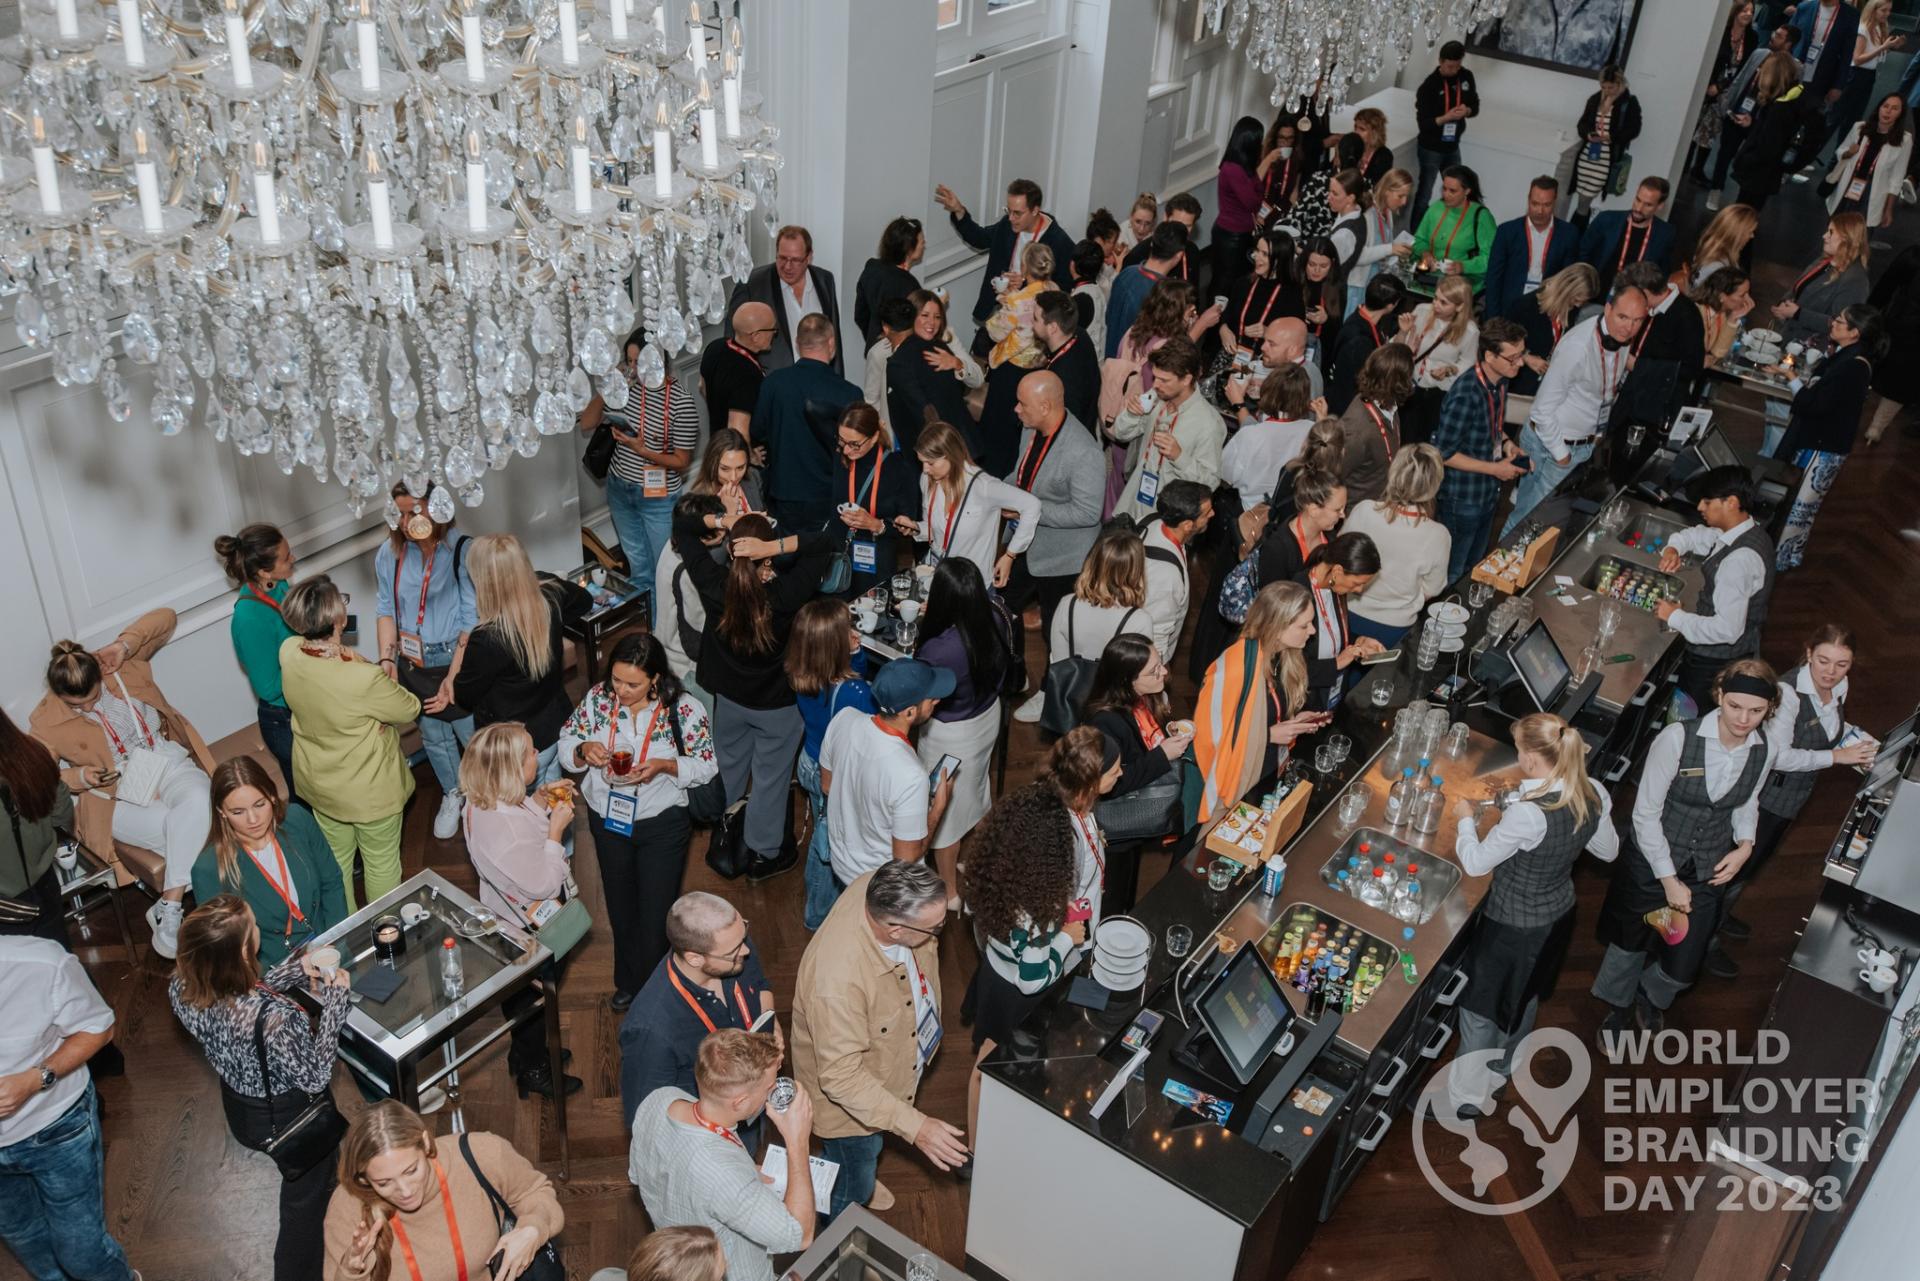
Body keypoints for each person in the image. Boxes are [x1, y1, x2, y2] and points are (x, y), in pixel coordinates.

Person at [1593, 660, 1777, 1036]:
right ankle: (1618, 1007)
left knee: (1683, 965)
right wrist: (1668, 879)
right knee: (1629, 945)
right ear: (1720, 695)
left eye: (1756, 711)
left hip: (1707, 865)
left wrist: (1745, 844)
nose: (1744, 719)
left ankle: (1649, 992)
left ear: (1769, 709)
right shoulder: (1677, 738)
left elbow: (1747, 802)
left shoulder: (1764, 750)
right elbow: (1645, 814)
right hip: (1651, 860)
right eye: (1735, 706)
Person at [1446, 714, 1618, 1117]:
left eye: (1519, 750)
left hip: (1512, 925)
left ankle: (1466, 1100)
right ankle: (1504, 1069)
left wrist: (1465, 820)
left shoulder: (1528, 814)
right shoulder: (1593, 790)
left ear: (1529, 758)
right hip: (1557, 915)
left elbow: (1476, 863)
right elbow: (1608, 851)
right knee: (1524, 997)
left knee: (1480, 1009)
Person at [170, 895, 350, 1281]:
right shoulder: (277, 1020)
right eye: (252, 928)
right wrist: (335, 1004)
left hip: (242, 1109)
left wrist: (292, 971)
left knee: (320, 1185)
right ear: (242, 950)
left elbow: (240, 997)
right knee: (303, 1209)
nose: (257, 931)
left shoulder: (183, 987)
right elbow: (316, 1076)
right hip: (290, 1117)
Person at [961, 728, 1120, 1138]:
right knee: (992, 1065)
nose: (1121, 774)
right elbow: (1031, 977)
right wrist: (1068, 937)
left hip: (1038, 961)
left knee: (1011, 1062)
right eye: (1114, 771)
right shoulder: (1045, 870)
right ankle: (976, 1150)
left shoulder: (1048, 808)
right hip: (1018, 989)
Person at [31, 610, 214, 959]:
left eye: (93, 696)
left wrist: (123, 645)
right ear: (59, 695)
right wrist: (80, 776)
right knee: (180, 827)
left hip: (164, 760)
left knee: (201, 799)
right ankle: (184, 908)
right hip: (114, 795)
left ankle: (169, 906)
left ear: (99, 675)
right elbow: (41, 776)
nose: (89, 706)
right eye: (77, 704)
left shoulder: (122, 668)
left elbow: (165, 618)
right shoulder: (45, 721)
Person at [790, 859, 964, 1218]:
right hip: (849, 1113)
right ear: (895, 930)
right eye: (935, 927)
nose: (941, 931)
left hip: (886, 1072)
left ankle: (861, 1174)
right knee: (853, 1175)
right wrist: (916, 1127)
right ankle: (846, 1205)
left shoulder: (879, 886)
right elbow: (841, 1078)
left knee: (868, 1151)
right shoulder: (837, 983)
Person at [672, 511, 838, 883]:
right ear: (766, 558)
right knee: (770, 780)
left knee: (729, 768)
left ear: (731, 552)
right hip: (777, 706)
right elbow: (824, 542)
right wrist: (773, 546)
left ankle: (725, 834)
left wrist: (721, 520)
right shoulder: (785, 595)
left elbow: (682, 524)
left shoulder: (714, 585)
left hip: (729, 700)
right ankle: (763, 855)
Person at [1707, 625, 1875, 978]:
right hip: (1765, 795)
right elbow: (1778, 756)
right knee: (1734, 865)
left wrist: (1859, 744)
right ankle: (1705, 940)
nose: (1831, 672)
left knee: (1752, 864)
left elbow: (1829, 727)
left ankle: (1718, 917)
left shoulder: (1838, 687)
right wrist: (1836, 757)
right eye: (1823, 661)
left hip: (1792, 797)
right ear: (1808, 653)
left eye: (1841, 664)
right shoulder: (1787, 695)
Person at [559, 632, 714, 1008]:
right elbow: (567, 741)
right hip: (608, 820)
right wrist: (583, 749)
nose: (621, 691)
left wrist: (665, 765)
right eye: (616, 680)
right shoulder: (598, 699)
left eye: (633, 684)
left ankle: (656, 993)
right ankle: (629, 981)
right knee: (620, 906)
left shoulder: (684, 709)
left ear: (656, 678)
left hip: (662, 824)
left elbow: (706, 766)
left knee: (656, 913)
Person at [279, 577, 419, 912]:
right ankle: (385, 928)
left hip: (321, 783)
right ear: (337, 619)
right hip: (369, 790)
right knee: (381, 861)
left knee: (338, 860)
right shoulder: (362, 677)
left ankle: (346, 929)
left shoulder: (289, 652)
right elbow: (409, 708)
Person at [458, 721, 582, 1099]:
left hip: (506, 917)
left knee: (525, 1000)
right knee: (534, 1002)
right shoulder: (506, 833)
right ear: (511, 767)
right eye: (530, 751)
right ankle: (533, 1069)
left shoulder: (482, 801)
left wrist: (540, 801)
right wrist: (556, 831)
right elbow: (544, 883)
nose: (537, 754)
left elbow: (517, 824)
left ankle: (525, 1054)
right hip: (529, 930)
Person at [628, 1030, 815, 1281]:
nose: (774, 1092)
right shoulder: (723, 1177)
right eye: (769, 1087)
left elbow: (639, 1175)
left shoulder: (659, 1099)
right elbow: (800, 1235)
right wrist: (798, 1142)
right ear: (739, 1102)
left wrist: (743, 1173)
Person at [0, 934, 125, 1281]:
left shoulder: (42, 963)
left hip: (55, 1129)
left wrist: (34, 1079)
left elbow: (99, 1028)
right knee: (31, 1248)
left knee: (83, 1256)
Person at [323, 1101, 562, 1281]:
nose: (405, 1191)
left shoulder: (480, 1154)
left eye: (411, 1170)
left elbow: (536, 1193)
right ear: (364, 1179)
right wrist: (351, 1271)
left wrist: (532, 1228)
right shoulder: (347, 1206)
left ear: (426, 1144)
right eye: (384, 1183)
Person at [618, 892, 776, 1136]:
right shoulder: (650, 1031)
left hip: (751, 1108)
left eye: (744, 935)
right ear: (694, 958)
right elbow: (647, 1118)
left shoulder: (732, 944)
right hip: (708, 1137)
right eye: (735, 950)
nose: (745, 950)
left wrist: (771, 1031)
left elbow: (761, 986)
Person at [374, 482, 476, 841]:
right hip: (412, 659)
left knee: (471, 733)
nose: (405, 523)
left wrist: (454, 675)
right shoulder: (389, 554)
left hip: (456, 653)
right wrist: (386, 660)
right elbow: (385, 608)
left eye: (413, 512)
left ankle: (484, 795)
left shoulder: (461, 549)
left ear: (436, 508)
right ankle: (454, 792)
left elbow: (471, 618)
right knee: (433, 735)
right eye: (399, 514)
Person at [1504, 282, 1649, 534]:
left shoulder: (1620, 340)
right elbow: (1541, 411)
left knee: (1544, 526)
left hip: (1582, 445)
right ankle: (1499, 560)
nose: (1629, 327)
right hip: (1552, 446)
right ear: (1607, 309)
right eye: (1623, 317)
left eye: (1637, 320)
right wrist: (1562, 456)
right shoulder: (1578, 347)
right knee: (1525, 521)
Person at [1003, 371, 1105, 707]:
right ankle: (1015, 674)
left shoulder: (1084, 452)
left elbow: (1087, 513)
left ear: (1045, 406)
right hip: (1026, 546)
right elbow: (1021, 475)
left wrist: (1028, 510)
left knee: (1057, 631)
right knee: (1004, 605)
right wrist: (994, 490)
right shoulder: (1030, 429)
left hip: (1064, 560)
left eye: (1023, 403)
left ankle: (1052, 695)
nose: (1016, 409)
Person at [915, 558, 1013, 901]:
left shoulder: (938, 649)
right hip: (986, 719)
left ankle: (950, 892)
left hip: (949, 736)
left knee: (945, 818)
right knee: (976, 793)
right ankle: (977, 862)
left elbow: (922, 701)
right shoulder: (996, 616)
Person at [191, 757, 346, 967]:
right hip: (274, 970)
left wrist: (333, 941)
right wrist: (289, 972)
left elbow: (332, 883)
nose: (253, 819)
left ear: (272, 796)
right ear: (221, 812)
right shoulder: (209, 868)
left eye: (259, 804)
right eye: (238, 812)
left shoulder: (297, 820)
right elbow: (226, 949)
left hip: (330, 947)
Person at [1193, 581, 1328, 823]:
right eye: (1304, 625)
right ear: (1277, 626)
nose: (1312, 631)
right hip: (1239, 784)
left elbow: (1268, 713)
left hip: (1267, 770)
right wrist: (1268, 735)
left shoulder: (1284, 656)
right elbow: (1209, 737)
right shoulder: (1234, 668)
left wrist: (1294, 721)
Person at [583, 328, 700, 597]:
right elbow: (587, 423)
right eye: (630, 361)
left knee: (663, 568)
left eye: (640, 362)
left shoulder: (681, 402)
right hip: (620, 489)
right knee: (638, 567)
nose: (634, 370)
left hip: (658, 498)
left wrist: (642, 449)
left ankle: (665, 621)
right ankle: (648, 617)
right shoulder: (623, 390)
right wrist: (608, 388)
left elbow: (681, 461)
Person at [820, 658, 957, 887]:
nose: (937, 700)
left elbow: (827, 786)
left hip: (841, 865)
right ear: (910, 712)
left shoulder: (844, 718)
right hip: (878, 886)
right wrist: (938, 808)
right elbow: (906, 859)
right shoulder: (911, 776)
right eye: (930, 698)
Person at [786, 599, 876, 931]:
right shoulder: (855, 692)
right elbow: (867, 722)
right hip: (835, 773)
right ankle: (818, 914)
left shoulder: (802, 673)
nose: (853, 631)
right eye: (846, 630)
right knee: (827, 843)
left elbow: (850, 675)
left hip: (810, 760)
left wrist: (854, 653)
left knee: (824, 830)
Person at [454, 534, 571, 784]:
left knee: (526, 806)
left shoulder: (486, 638)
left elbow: (464, 695)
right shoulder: (550, 598)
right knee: (554, 796)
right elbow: (583, 601)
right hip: (555, 727)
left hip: (517, 751)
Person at [1082, 634, 1195, 890]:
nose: (1164, 672)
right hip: (1117, 828)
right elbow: (1108, 786)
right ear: (1128, 680)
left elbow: (1144, 740)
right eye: (1154, 670)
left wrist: (1171, 732)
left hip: (1135, 821)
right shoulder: (1104, 722)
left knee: (1129, 882)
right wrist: (1162, 755)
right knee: (1114, 890)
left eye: (1160, 663)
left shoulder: (1143, 698)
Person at [1776, 303, 1884, 571]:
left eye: (1840, 320)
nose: (1833, 322)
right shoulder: (1851, 358)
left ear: (1855, 332)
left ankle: (1779, 557)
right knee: (1805, 508)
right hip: (1827, 444)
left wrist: (1790, 376)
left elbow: (1815, 405)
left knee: (1798, 506)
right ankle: (1790, 555)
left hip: (1821, 446)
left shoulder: (1852, 366)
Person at [1433, 318, 1531, 583]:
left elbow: (1492, 427)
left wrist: (1508, 444)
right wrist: (1495, 469)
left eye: (1521, 354)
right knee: (1453, 571)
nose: (1520, 363)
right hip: (1463, 496)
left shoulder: (1500, 381)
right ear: (1489, 356)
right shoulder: (1466, 393)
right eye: (1513, 358)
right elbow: (1443, 453)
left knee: (1474, 565)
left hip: (1488, 491)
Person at [902, 420, 1040, 592]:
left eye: (930, 463)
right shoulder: (927, 480)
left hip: (972, 585)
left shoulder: (983, 486)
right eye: (922, 462)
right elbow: (937, 530)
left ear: (950, 456)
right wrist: (916, 527)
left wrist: (1010, 555)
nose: (925, 469)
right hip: (939, 576)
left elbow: (1032, 505)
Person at [753, 315, 861, 534]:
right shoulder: (849, 393)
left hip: (783, 491)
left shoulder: (773, 383)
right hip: (829, 493)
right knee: (826, 551)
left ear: (797, 343)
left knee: (785, 550)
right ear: (831, 342)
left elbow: (757, 431)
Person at [216, 522, 300, 799]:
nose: (293, 559)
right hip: (284, 720)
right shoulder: (249, 618)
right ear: (264, 571)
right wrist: (310, 658)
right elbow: (268, 687)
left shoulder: (279, 585)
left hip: (301, 704)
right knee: (308, 799)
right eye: (286, 558)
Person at [935, 176, 1076, 335]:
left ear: (1035, 210)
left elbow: (1064, 290)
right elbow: (980, 239)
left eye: (1017, 213)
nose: (1011, 218)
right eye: (1008, 210)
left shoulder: (1059, 242)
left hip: (1032, 324)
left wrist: (1026, 284)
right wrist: (959, 210)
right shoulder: (1007, 225)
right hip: (1001, 308)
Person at [1343, 444, 1450, 648]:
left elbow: (1340, 558)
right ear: (1434, 485)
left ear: (1394, 472)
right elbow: (1433, 589)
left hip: (1348, 614)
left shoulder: (1363, 510)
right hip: (1394, 627)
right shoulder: (1438, 535)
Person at [1043, 529, 1154, 722]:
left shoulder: (1067, 604)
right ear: (1136, 570)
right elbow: (1138, 680)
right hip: (1113, 712)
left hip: (1070, 706)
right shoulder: (1139, 620)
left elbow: (1058, 661)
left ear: (1093, 562)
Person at [1109, 335, 1224, 521]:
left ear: (1186, 379)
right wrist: (1131, 413)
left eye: (1164, 380)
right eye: (1155, 377)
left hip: (1167, 519)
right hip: (1133, 502)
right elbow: (1121, 434)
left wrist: (1179, 457)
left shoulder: (1209, 423)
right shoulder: (1156, 396)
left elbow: (1210, 482)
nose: (1155, 384)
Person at [0, 707, 75, 945]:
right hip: (45, 883)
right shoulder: (32, 753)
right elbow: (61, 814)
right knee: (58, 954)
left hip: (4, 905)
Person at [727, 225, 844, 375]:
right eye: (782, 258)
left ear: (808, 257)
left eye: (795, 260)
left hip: (820, 380)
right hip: (771, 382)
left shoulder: (825, 280)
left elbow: (834, 335)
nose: (787, 266)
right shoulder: (752, 284)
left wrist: (837, 379)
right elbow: (732, 341)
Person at [832, 402, 921, 596]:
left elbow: (908, 528)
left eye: (854, 444)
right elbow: (814, 410)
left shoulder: (899, 468)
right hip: (840, 559)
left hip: (877, 562)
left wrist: (876, 525)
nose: (846, 450)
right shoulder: (840, 461)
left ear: (874, 437)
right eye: (841, 441)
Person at [1705, 20, 1791, 210]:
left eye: (1779, 36)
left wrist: (1757, 121)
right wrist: (1727, 105)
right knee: (1724, 153)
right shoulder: (1760, 54)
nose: (1773, 37)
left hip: (1758, 123)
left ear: (1788, 44)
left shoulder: (1790, 68)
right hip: (1736, 112)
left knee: (1750, 160)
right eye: (1774, 33)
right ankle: (1716, 189)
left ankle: (1741, 203)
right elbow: (1741, 78)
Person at [1612, 260, 1707, 427]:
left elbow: (1692, 369)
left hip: (1654, 410)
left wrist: (1638, 365)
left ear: (1646, 292)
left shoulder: (1687, 316)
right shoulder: (1648, 307)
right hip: (1628, 397)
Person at [886, 290, 980, 454]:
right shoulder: (889, 351)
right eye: (925, 315)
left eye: (937, 317)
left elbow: (976, 380)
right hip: (927, 443)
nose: (932, 322)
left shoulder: (944, 343)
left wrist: (957, 364)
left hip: (944, 445)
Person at [1297, 532, 1382, 708]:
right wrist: (1336, 663)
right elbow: (1289, 669)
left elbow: (1332, 633)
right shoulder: (1296, 596)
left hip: (1331, 693)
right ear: (1337, 571)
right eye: (1356, 583)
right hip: (1304, 701)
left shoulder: (1335, 586)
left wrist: (1358, 641)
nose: (1359, 590)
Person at [1769, 213, 1871, 357]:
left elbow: (1842, 325)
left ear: (1846, 239)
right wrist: (1784, 304)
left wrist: (1797, 313)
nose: (1824, 236)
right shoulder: (1825, 261)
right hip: (1791, 338)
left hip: (1810, 351)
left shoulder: (1856, 281)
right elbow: (1798, 288)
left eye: (1831, 232)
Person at [1484, 177, 1579, 322]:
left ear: (1555, 202)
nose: (1540, 211)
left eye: (1546, 205)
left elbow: (1568, 279)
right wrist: (1493, 318)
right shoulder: (1507, 231)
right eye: (1535, 204)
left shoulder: (1569, 234)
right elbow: (1494, 278)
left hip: (1546, 309)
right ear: (1528, 200)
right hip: (1509, 306)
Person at [1732, 53, 1818, 213]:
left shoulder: (1780, 109)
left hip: (1758, 173)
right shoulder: (1791, 100)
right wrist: (1754, 125)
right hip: (1767, 174)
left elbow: (1768, 146)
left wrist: (1745, 159)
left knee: (1743, 214)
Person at [1141, 480, 1213, 667]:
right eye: (1206, 513)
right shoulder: (1167, 577)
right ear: (1188, 525)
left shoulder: (1152, 521)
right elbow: (1156, 633)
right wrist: (1159, 668)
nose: (1213, 514)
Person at [1222, 364, 1315, 509]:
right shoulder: (1312, 430)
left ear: (1267, 392)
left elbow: (1227, 475)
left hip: (1249, 511)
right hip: (1289, 509)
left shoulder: (1250, 435)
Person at [1332, 343, 1415, 505]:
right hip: (1357, 512)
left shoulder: (1390, 405)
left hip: (1380, 505)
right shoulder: (1356, 429)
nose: (1412, 382)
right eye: (1409, 377)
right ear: (1399, 382)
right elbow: (1333, 477)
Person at [1401, 275, 1479, 444]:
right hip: (1410, 384)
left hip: (1438, 392)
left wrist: (1449, 370)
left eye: (1444, 302)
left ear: (1460, 306)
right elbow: (1404, 343)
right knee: (1403, 435)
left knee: (1426, 440)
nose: (1436, 304)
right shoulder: (1421, 310)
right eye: (1435, 298)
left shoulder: (1470, 331)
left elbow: (1468, 363)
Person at [1412, 40, 1479, 223]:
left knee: (1460, 190)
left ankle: (1453, 230)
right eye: (1450, 66)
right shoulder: (1429, 86)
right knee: (1425, 194)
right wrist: (1445, 118)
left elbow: (1475, 105)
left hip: (1453, 145)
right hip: (1431, 148)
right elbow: (1424, 124)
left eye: (1457, 66)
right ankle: (1415, 233)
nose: (1454, 70)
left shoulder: (1466, 77)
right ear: (1441, 61)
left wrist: (1467, 111)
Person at [1570, 66, 1642, 226]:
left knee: (1585, 200)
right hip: (1586, 157)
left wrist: (1612, 137)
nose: (1607, 91)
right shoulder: (1595, 99)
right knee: (1582, 199)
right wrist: (1589, 134)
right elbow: (1582, 124)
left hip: (1605, 161)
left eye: (1611, 87)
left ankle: (1574, 231)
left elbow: (1634, 129)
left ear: (1620, 84)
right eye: (1604, 87)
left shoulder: (1629, 102)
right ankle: (1577, 233)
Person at [1824, 93, 1911, 226]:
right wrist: (1849, 153)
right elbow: (1840, 151)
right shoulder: (1859, 128)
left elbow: (1897, 177)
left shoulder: (1904, 140)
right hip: (1848, 184)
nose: (1888, 111)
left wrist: (1888, 210)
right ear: (1879, 108)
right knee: (1836, 227)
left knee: (1861, 231)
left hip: (1873, 192)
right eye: (1885, 106)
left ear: (1900, 114)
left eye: (1894, 108)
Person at [1104, 224, 1189, 358]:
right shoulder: (1164, 296)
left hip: (1111, 357)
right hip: (1136, 365)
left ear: (1151, 245)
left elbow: (1108, 317)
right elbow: (1165, 348)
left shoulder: (1126, 273)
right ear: (1179, 255)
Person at [1578, 177, 1674, 295]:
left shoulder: (1665, 234)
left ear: (1660, 206)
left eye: (1648, 205)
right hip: (1595, 295)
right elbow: (1582, 254)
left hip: (1632, 301)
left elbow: (1662, 274)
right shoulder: (1606, 220)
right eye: (1638, 200)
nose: (1638, 208)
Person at [1864, 243, 1920, 445]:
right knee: (1901, 385)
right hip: (1911, 338)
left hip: (1896, 325)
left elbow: (1885, 287)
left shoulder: (1914, 255)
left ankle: (1854, 412)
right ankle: (1876, 428)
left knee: (1871, 370)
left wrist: (1867, 314)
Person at [1328, 274, 1407, 413]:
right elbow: (1362, 381)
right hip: (1349, 408)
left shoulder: (1363, 319)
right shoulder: (1360, 340)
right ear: (1391, 305)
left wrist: (1403, 332)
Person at [1411, 165, 1496, 295]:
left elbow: (1491, 257)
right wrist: (1425, 253)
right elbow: (1419, 239)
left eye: (1452, 191)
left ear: (1467, 191)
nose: (1446, 194)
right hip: (1427, 282)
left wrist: (1463, 266)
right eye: (1444, 189)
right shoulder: (1436, 208)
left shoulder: (1481, 216)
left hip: (1459, 288)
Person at [1032, 289, 1101, 434]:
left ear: (1052, 328)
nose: (1031, 322)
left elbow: (1064, 426)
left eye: (1035, 319)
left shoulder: (1062, 376)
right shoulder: (1080, 333)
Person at [699, 302, 772, 436]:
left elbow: (702, 386)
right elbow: (738, 431)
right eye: (772, 330)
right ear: (756, 336)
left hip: (717, 438)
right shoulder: (747, 374)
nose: (774, 334)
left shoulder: (714, 347)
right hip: (736, 446)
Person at [1349, 168, 1414, 314]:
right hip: (1357, 286)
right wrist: (1391, 249)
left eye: (1406, 197)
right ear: (1386, 191)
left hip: (1372, 285)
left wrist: (1396, 254)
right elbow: (1356, 256)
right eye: (1400, 196)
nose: (1404, 202)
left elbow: (1383, 251)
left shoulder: (1387, 213)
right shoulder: (1366, 213)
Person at [1790, 0, 1863, 128]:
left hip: (1821, 79)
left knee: (1805, 121)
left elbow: (1847, 53)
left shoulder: (1851, 15)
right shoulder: (1805, 7)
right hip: (1793, 74)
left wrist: (1838, 85)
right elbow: (1789, 38)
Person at [854, 216, 924, 348]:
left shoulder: (872, 267)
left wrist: (874, 335)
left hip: (874, 348)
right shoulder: (910, 286)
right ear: (909, 249)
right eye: (922, 241)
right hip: (898, 351)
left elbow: (860, 315)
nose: (924, 245)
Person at [1214, 115, 1267, 286]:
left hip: (1239, 233)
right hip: (1232, 236)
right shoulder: (1233, 169)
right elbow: (1253, 202)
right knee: (1227, 281)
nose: (1262, 145)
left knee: (1235, 279)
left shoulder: (1243, 167)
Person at [862, 296, 919, 436]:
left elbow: (870, 399)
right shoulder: (879, 354)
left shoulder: (921, 346)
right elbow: (872, 402)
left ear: (886, 328)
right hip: (893, 432)